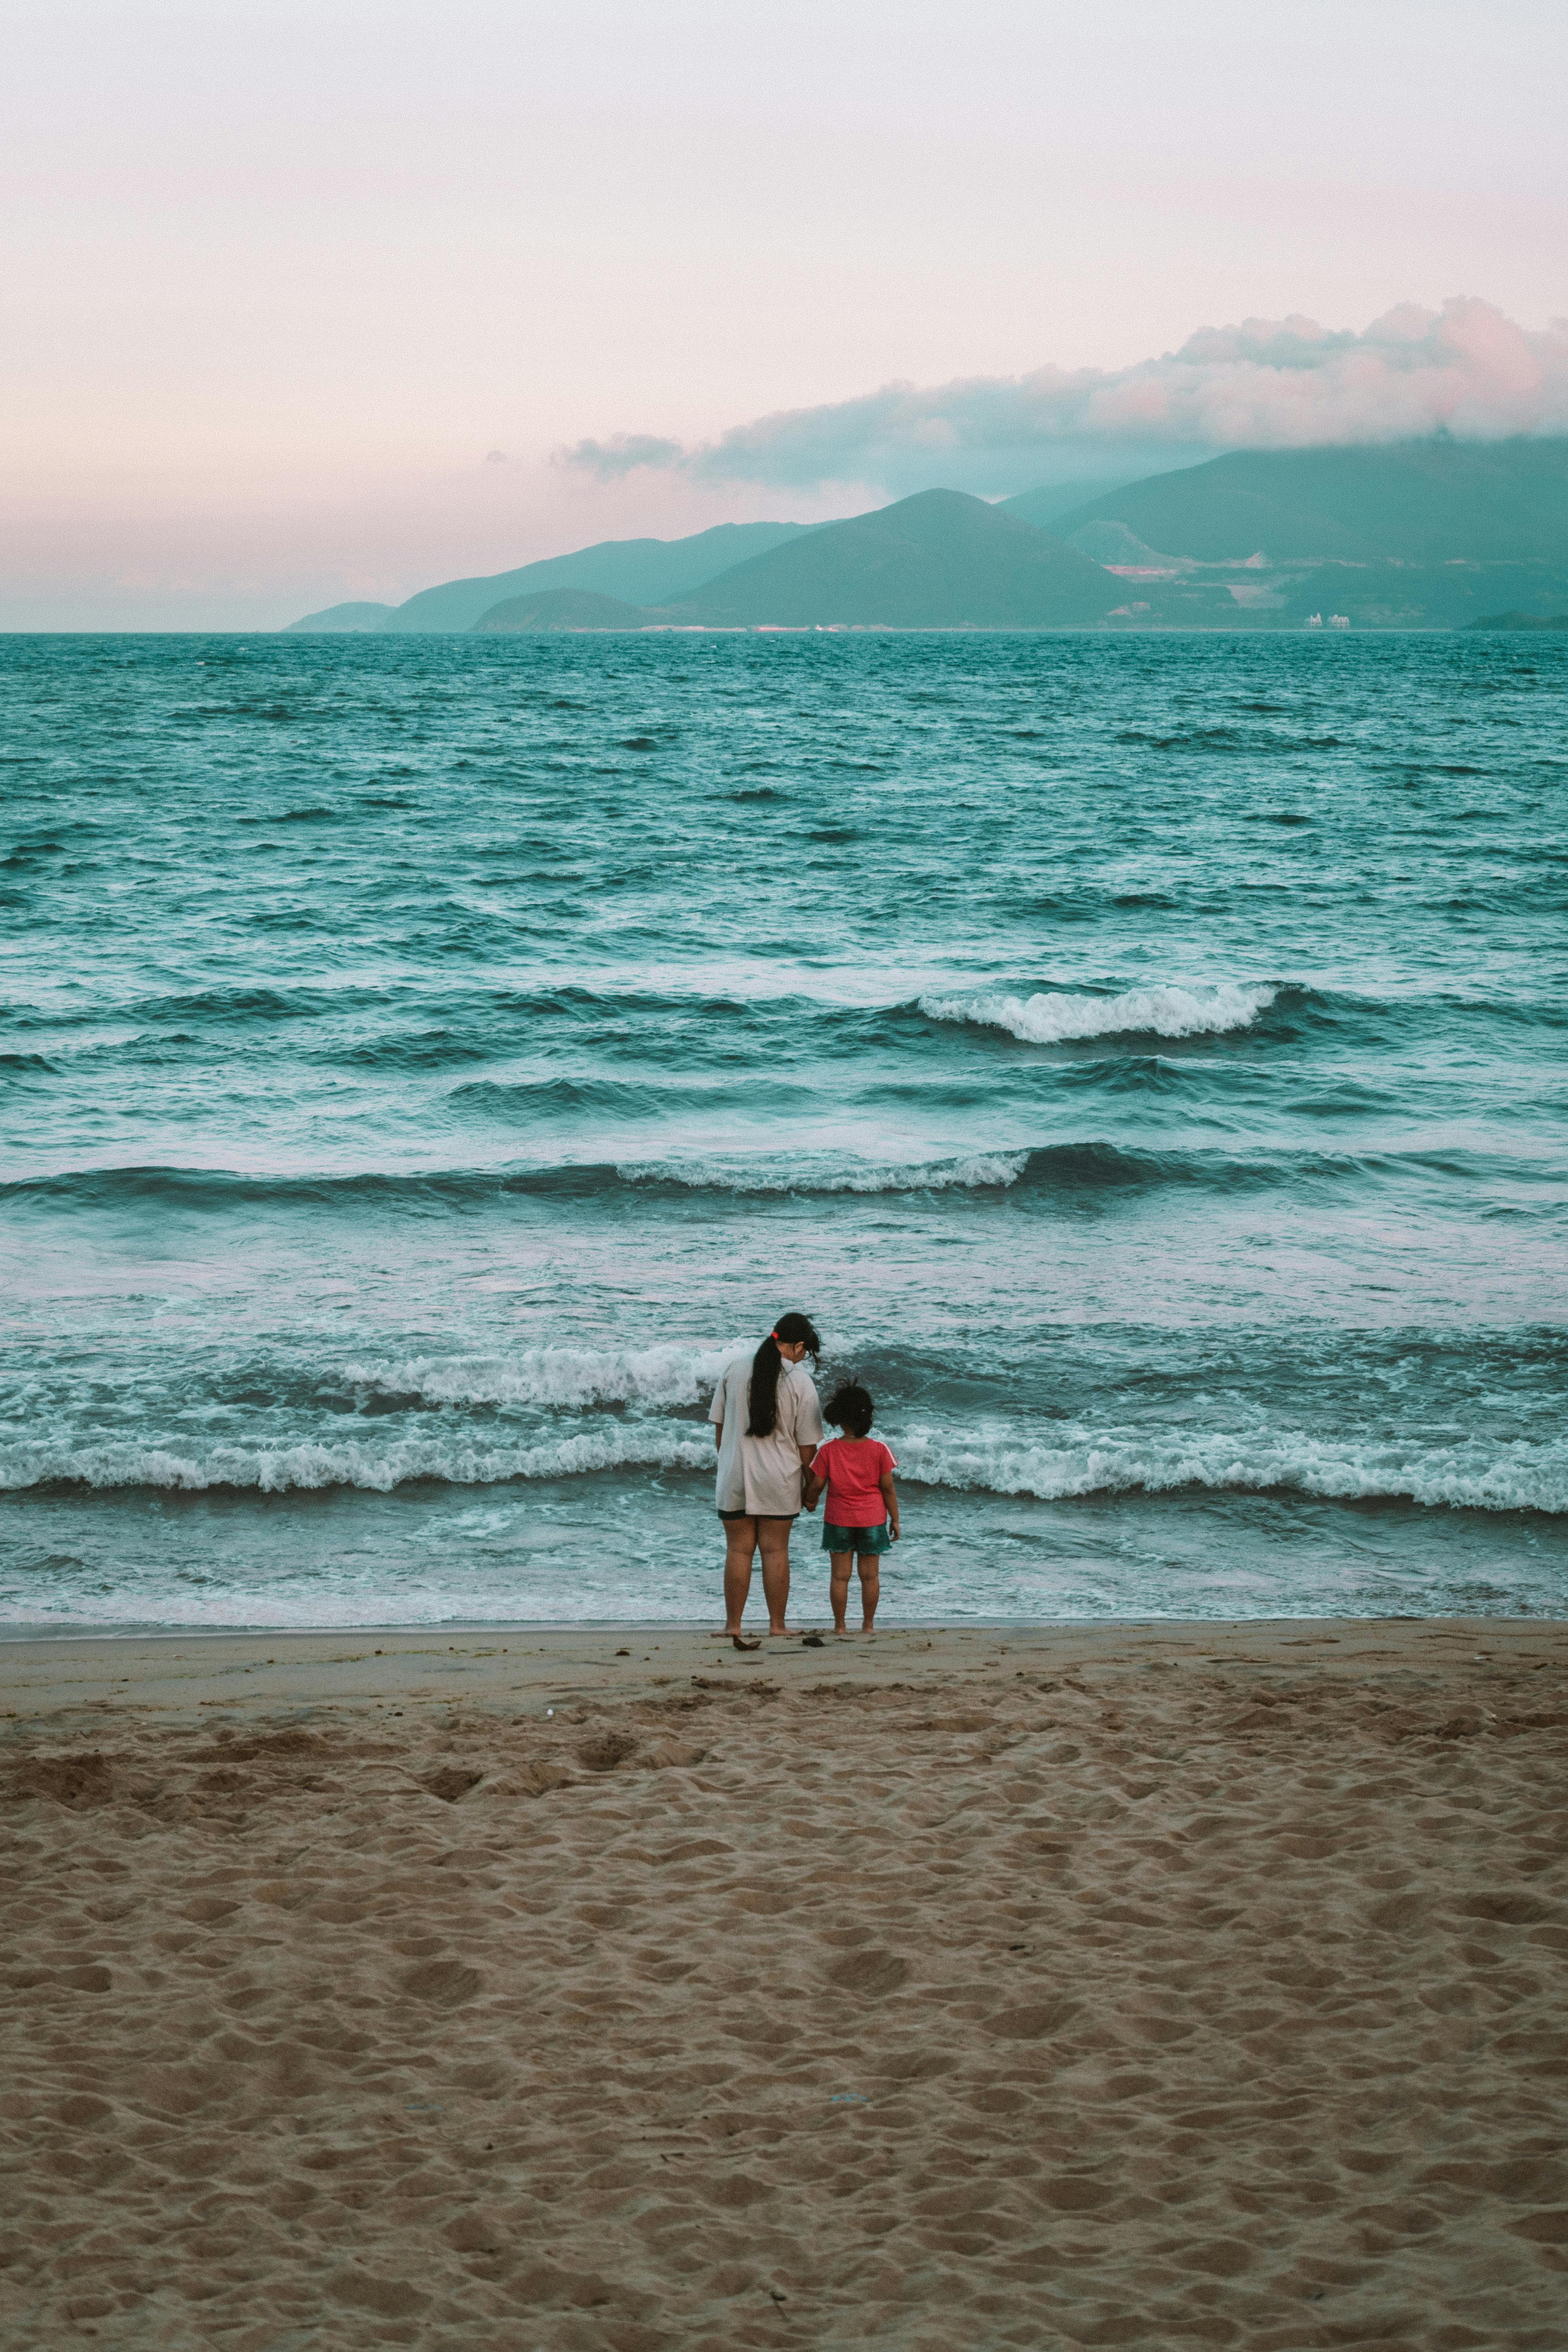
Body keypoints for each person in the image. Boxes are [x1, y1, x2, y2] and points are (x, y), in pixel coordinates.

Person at [709, 1313, 823, 1640]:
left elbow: (720, 1432)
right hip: (779, 1479)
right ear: (798, 1346)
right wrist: (810, 1489)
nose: (803, 1359)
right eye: (805, 1353)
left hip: (734, 1474)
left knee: (738, 1551)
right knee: (775, 1551)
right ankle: (777, 1625)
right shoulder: (800, 1381)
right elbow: (807, 1447)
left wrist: (731, 1463)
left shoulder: (734, 1369)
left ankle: (733, 1626)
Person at [802, 1381, 898, 1636]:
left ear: (841, 1419)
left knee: (840, 1577)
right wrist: (896, 1520)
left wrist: (809, 1501)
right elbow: (888, 1489)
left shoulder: (829, 1451)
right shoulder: (880, 1450)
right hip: (872, 1519)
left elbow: (817, 1485)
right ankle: (868, 1626)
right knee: (870, 1577)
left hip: (839, 1519)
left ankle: (840, 1626)